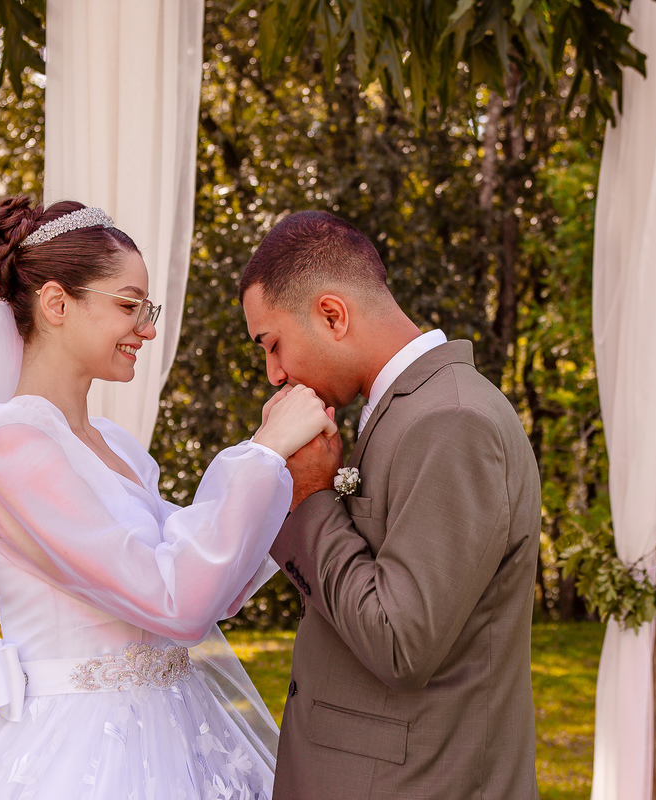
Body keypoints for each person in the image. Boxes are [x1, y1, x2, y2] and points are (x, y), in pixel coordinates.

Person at [0, 197, 335, 800]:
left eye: (146, 309)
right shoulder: (12, 450)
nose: (148, 329)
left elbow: (213, 586)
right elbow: (173, 601)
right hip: (83, 756)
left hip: (176, 728)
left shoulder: (117, 447)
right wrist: (261, 453)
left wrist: (290, 482)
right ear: (56, 304)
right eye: (129, 306)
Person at [240, 210, 542, 800]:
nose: (274, 373)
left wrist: (311, 499)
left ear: (332, 315)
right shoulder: (409, 410)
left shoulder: (451, 420)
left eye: (273, 345)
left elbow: (401, 642)